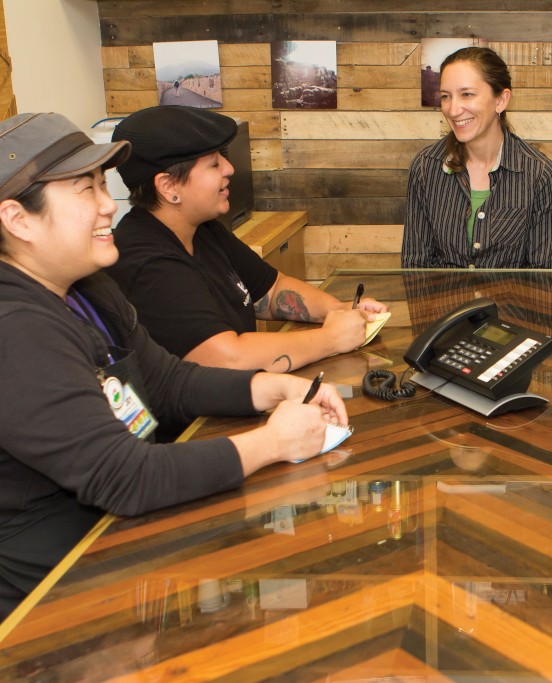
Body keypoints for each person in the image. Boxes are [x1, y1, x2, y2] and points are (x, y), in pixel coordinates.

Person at [0, 112, 349, 618]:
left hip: (124, 551)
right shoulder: (17, 329)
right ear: (17, 220)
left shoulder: (88, 288)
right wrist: (273, 443)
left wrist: (274, 388)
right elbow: (122, 476)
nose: (105, 205)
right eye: (83, 190)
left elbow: (164, 381)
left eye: (102, 185)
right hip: (57, 604)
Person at [106, 105, 388, 375]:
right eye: (214, 163)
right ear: (169, 187)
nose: (229, 168)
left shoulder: (203, 230)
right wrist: (331, 339)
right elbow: (226, 358)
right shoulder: (145, 260)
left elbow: (272, 289)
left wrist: (339, 310)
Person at [401, 47, 552, 269]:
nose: (453, 109)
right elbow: (415, 267)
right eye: (446, 96)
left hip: (510, 305)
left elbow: (542, 278)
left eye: (467, 94)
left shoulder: (538, 174)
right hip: (444, 304)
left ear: (501, 100)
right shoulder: (426, 167)